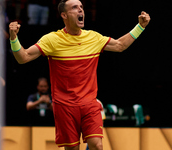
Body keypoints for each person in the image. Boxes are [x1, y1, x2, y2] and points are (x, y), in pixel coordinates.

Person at [9, 0, 150, 149]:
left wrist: (140, 27)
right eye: (75, 8)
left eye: (81, 7)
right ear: (64, 15)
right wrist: (13, 38)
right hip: (64, 106)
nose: (80, 10)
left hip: (89, 103)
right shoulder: (51, 40)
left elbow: (120, 45)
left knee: (97, 145)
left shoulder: (93, 38)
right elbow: (23, 58)